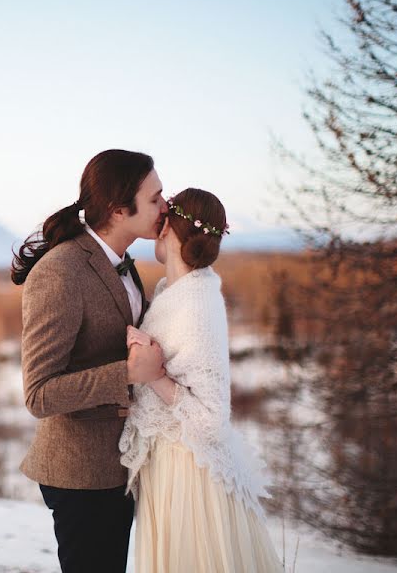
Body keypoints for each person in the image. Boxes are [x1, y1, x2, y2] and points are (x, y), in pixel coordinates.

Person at [12, 149, 167, 573]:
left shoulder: (123, 263)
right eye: (155, 198)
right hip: (79, 473)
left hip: (121, 464)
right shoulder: (61, 271)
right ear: (119, 210)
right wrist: (128, 374)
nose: (165, 206)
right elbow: (39, 394)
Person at [119, 188, 282, 572]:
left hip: (189, 476)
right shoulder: (174, 290)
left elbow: (211, 419)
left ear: (168, 232)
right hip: (170, 462)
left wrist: (154, 374)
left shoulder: (196, 302)